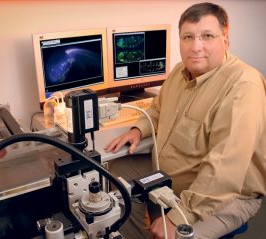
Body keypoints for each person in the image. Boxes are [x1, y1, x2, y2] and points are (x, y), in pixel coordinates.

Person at [105, 2, 266, 239]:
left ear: (225, 40)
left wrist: (177, 217)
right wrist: (138, 129)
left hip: (226, 196)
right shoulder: (181, 72)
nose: (195, 47)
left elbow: (224, 171)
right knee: (116, 172)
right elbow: (158, 108)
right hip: (171, 175)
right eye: (187, 37)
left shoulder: (243, 86)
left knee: (176, 236)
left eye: (207, 36)